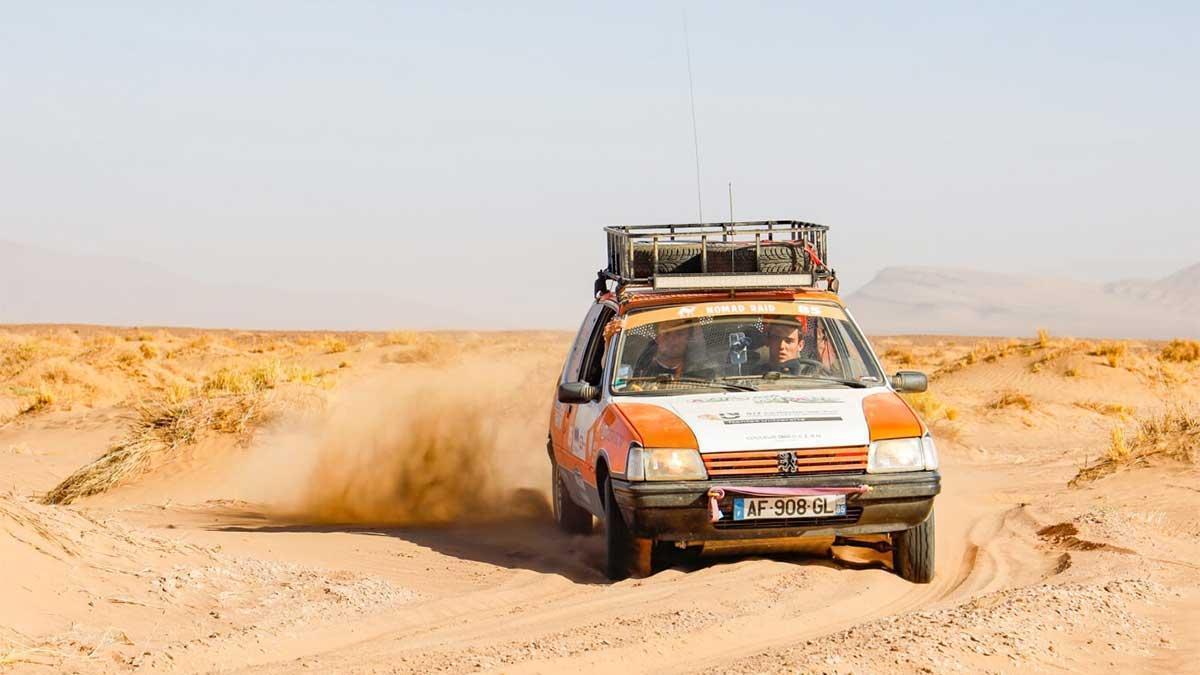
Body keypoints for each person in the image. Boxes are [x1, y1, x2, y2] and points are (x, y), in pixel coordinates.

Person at [755, 316, 831, 376]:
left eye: (789, 341)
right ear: (768, 341)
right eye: (776, 339)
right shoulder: (754, 375)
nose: (781, 346)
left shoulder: (812, 376)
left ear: (800, 345)